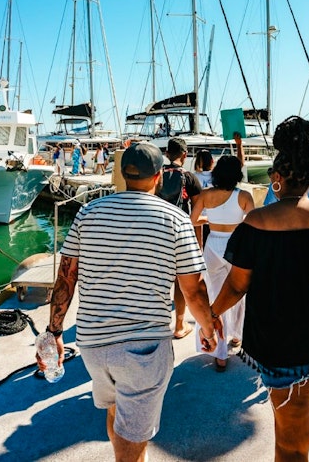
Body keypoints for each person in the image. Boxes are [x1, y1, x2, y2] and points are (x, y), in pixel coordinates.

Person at [43, 141, 219, 462]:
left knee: (116, 415)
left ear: (124, 174)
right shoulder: (175, 219)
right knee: (131, 440)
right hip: (143, 351)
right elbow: (193, 290)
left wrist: (54, 331)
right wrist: (207, 330)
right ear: (159, 178)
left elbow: (66, 276)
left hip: (93, 346)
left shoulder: (88, 213)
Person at [211, 116, 309, 462]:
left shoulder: (255, 224)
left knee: (289, 443)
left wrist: (210, 315)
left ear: (276, 178)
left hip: (279, 344)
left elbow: (238, 285)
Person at [190, 154, 254, 371]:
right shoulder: (244, 196)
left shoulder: (206, 195)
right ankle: (237, 336)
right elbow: (253, 223)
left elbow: (193, 221)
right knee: (237, 293)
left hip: (213, 245)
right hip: (237, 246)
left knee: (215, 297)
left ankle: (220, 353)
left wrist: (211, 219)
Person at [161, 137, 203, 339]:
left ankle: (157, 325)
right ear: (184, 155)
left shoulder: (157, 175)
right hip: (180, 234)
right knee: (180, 280)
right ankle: (179, 325)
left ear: (167, 154)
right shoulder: (189, 177)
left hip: (158, 233)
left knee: (159, 279)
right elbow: (196, 211)